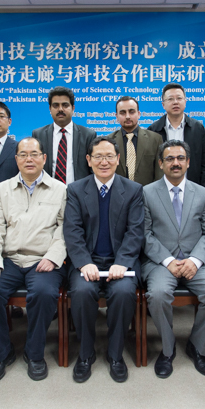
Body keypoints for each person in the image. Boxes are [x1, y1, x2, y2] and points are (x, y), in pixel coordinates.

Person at [0, 137, 68, 384]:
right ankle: (0, 354)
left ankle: (34, 353)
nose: (29, 159)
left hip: (43, 260)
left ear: (44, 158)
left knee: (44, 293)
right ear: (16, 159)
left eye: (34, 154)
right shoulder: (1, 190)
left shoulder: (60, 189)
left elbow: (65, 229)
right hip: (9, 260)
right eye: (23, 154)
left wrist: (53, 257)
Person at [142, 140, 205, 379]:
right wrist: (167, 260)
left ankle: (198, 347)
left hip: (196, 261)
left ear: (188, 162)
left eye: (180, 158)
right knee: (158, 295)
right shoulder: (147, 192)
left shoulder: (203, 193)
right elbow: (144, 234)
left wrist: (196, 260)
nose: (175, 163)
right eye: (169, 159)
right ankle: (167, 350)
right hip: (161, 262)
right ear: (160, 163)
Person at [64, 137, 145, 383]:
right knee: (81, 292)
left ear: (118, 159)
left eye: (109, 156)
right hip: (87, 261)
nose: (104, 161)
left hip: (120, 262)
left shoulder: (133, 190)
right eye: (98, 156)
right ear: (88, 160)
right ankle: (86, 354)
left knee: (123, 293)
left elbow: (135, 231)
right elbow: (72, 231)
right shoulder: (75, 190)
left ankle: (115, 354)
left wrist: (122, 261)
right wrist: (83, 262)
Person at [148, 83, 205, 188]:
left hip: (192, 188)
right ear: (163, 104)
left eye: (179, 98)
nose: (175, 102)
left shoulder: (197, 128)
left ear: (185, 102)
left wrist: (203, 189)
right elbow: (150, 165)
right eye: (170, 99)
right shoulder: (154, 130)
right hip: (162, 189)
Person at [32, 86, 97, 184]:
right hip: (47, 190)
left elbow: (93, 168)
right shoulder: (38, 134)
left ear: (73, 108)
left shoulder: (88, 135)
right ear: (50, 109)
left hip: (79, 191)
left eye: (65, 105)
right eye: (55, 106)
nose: (60, 109)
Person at [107, 96, 163, 186]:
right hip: (117, 192)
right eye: (122, 113)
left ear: (139, 114)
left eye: (131, 112)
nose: (127, 116)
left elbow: (160, 173)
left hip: (147, 192)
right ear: (116, 116)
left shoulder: (155, 139)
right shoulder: (108, 141)